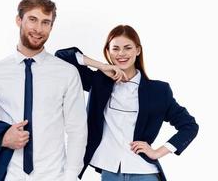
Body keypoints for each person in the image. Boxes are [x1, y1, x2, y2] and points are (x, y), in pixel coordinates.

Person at [0, 0, 87, 181]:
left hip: (54, 176)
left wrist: (71, 176)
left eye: (46, 22)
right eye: (33, 19)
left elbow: (77, 129)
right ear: (19, 20)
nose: (39, 29)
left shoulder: (67, 73)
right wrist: (3, 137)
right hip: (9, 175)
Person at [55, 25, 199, 181]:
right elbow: (62, 56)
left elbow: (189, 126)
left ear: (137, 50)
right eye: (115, 49)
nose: (121, 54)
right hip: (110, 171)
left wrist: (158, 151)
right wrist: (102, 66)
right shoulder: (99, 83)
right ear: (108, 51)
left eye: (127, 48)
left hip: (144, 172)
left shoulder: (158, 91)